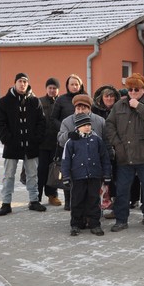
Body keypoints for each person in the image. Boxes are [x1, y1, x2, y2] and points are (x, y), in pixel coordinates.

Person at [105, 73, 144, 234]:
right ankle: (121, 220)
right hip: (125, 155)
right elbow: (109, 125)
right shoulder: (119, 105)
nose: (132, 92)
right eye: (129, 89)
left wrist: (139, 106)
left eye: (136, 89)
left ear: (143, 89)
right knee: (122, 190)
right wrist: (117, 144)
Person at [0, 73, 47, 216]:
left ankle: (34, 200)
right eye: (20, 81)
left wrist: (37, 138)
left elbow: (41, 121)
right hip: (12, 145)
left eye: (25, 81)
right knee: (9, 175)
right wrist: (7, 138)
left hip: (31, 145)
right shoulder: (4, 101)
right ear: (15, 83)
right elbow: (0, 121)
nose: (22, 84)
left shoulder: (35, 101)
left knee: (33, 174)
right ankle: (6, 203)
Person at [61, 113, 112, 237]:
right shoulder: (71, 142)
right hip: (78, 176)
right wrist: (66, 176)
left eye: (89, 124)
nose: (87, 127)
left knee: (94, 200)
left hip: (94, 176)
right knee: (77, 200)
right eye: (84, 125)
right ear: (78, 127)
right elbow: (66, 160)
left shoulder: (97, 140)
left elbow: (105, 158)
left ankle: (94, 224)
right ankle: (76, 224)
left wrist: (107, 174)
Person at [51, 74, 87, 210]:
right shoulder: (61, 100)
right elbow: (53, 118)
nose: (74, 86)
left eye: (76, 84)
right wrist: (64, 129)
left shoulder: (85, 98)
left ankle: (82, 199)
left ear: (80, 85)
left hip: (84, 140)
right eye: (72, 84)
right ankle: (68, 201)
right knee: (67, 170)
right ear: (67, 86)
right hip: (67, 141)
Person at [91, 85, 121, 218]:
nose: (109, 98)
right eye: (106, 96)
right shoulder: (94, 110)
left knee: (117, 179)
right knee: (101, 179)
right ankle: (99, 207)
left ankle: (116, 207)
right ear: (101, 98)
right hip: (99, 149)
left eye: (111, 96)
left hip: (118, 148)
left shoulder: (120, 109)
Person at [38, 77, 61, 206]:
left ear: (58, 89)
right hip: (42, 144)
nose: (52, 90)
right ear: (46, 89)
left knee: (54, 171)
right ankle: (36, 196)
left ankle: (52, 195)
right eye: (50, 88)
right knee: (41, 171)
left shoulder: (61, 102)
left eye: (54, 88)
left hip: (56, 144)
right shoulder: (39, 101)